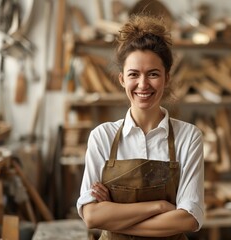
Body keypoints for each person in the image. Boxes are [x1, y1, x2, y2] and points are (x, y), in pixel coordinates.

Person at [76, 14, 204, 239]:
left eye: (153, 74)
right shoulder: (102, 137)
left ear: (166, 78)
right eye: (134, 74)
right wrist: (160, 207)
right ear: (122, 79)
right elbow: (92, 216)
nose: (143, 84)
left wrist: (115, 218)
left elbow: (189, 219)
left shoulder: (189, 137)